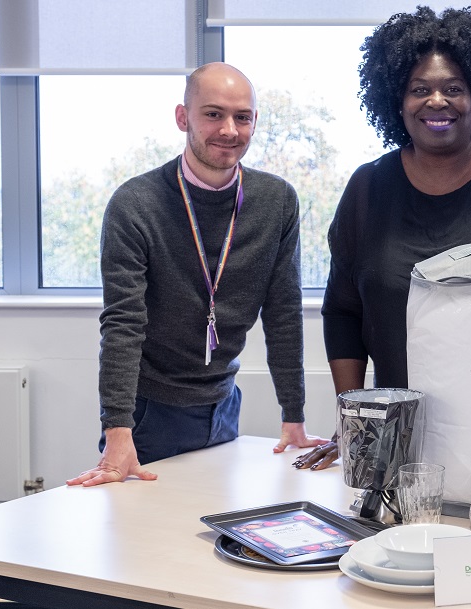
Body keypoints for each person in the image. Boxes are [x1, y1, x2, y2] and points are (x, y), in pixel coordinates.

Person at [295, 6, 471, 471]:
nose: (437, 102)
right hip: (394, 439)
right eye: (419, 90)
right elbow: (344, 312)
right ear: (396, 100)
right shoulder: (368, 188)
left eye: (454, 89)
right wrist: (355, 421)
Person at [68, 62, 327, 487]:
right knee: (145, 541)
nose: (229, 129)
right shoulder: (135, 204)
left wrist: (293, 417)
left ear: (254, 122)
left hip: (224, 404)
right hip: (150, 413)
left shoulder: (276, 201)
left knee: (209, 533)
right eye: (213, 114)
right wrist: (118, 430)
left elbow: (283, 312)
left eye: (242, 117)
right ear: (182, 117)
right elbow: (123, 323)